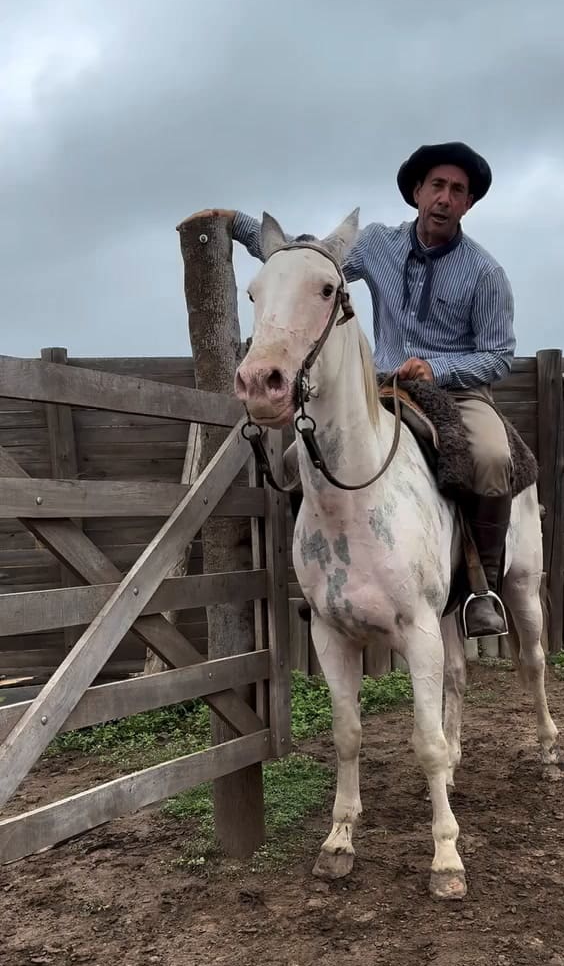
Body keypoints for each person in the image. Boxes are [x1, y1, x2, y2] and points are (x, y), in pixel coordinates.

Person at [186, 141, 516, 637]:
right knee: (299, 457)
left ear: (468, 203)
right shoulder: (380, 245)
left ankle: (480, 590)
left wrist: (435, 368)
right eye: (437, 186)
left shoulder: (487, 273)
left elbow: (498, 356)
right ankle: (325, 578)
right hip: (381, 388)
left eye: (458, 190)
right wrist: (240, 225)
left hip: (457, 394)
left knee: (491, 456)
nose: (445, 198)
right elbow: (313, 259)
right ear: (416, 193)